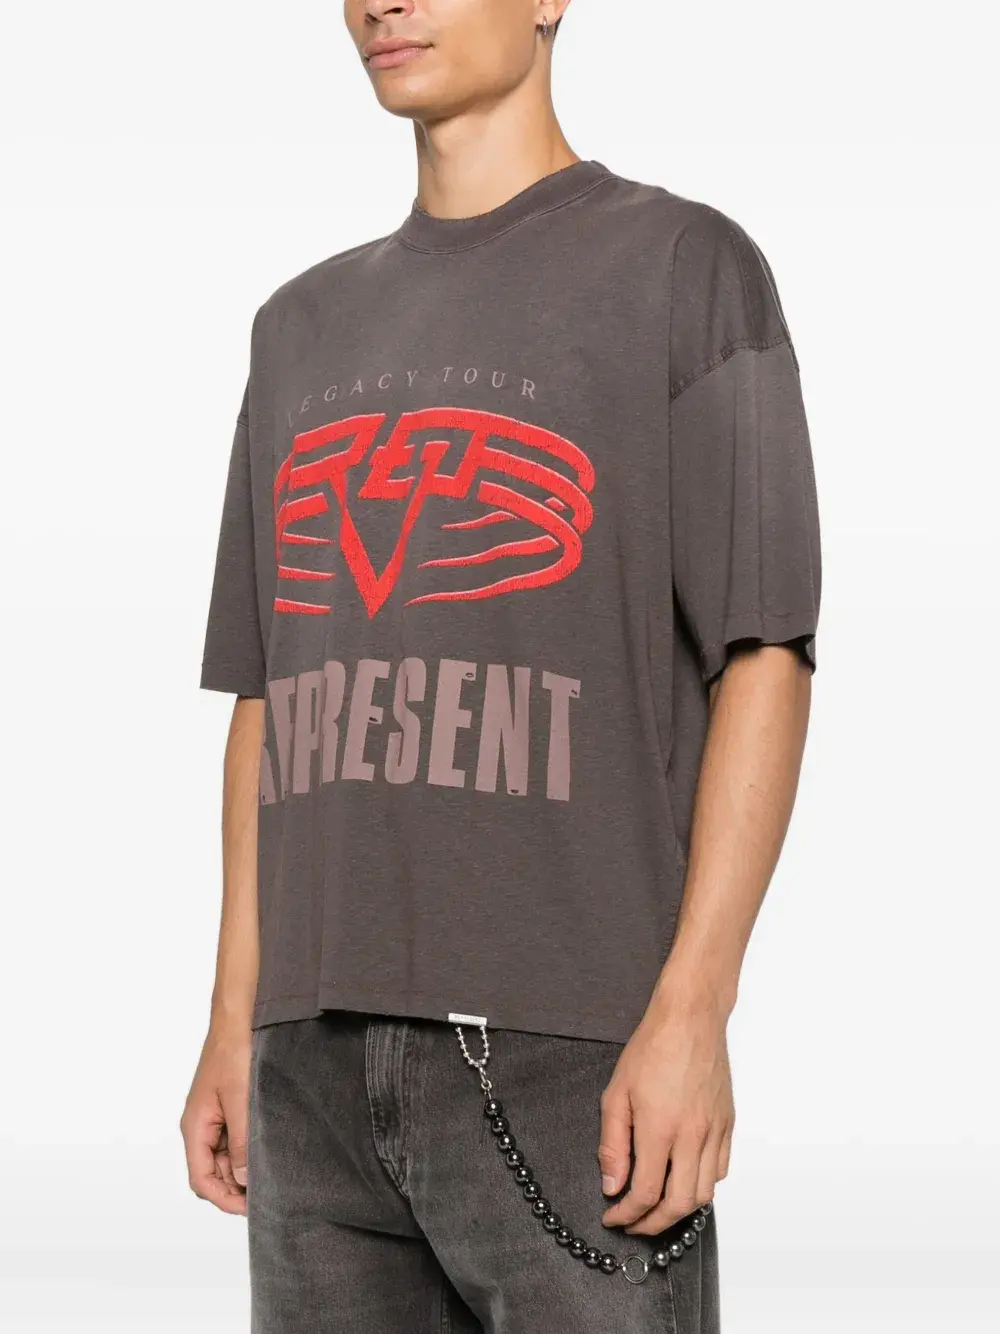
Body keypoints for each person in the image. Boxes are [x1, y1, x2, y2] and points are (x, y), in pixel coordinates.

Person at [181, 2, 821, 1330]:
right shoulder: (295, 326)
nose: (382, 1)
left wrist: (695, 1011)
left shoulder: (683, 266)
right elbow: (264, 697)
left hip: (575, 1055)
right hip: (309, 1071)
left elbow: (763, 648)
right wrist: (234, 1016)